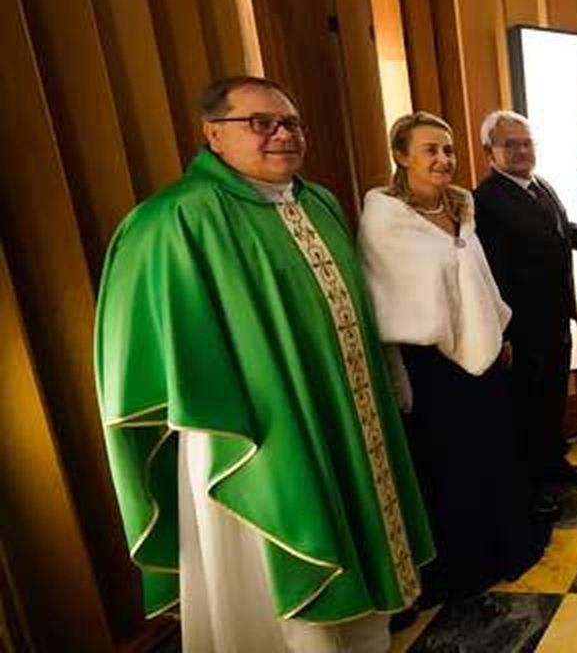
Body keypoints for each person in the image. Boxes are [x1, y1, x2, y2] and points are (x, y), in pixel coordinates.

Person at [97, 76, 431, 652]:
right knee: (274, 590)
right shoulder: (174, 220)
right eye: (261, 123)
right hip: (251, 442)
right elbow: (140, 353)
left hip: (344, 417)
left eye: (293, 123)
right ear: (213, 135)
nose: (283, 135)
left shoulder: (318, 201)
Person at [360, 112, 537, 605]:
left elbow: (478, 279)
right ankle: (465, 565)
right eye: (430, 150)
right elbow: (397, 295)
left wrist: (495, 331)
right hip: (431, 362)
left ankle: (507, 547)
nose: (443, 160)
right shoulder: (385, 219)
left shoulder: (461, 207)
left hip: (481, 358)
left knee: (496, 451)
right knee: (449, 465)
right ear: (401, 156)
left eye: (448, 150)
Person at [474, 110, 577, 496]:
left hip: (557, 317)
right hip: (522, 327)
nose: (522, 151)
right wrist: (504, 334)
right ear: (489, 152)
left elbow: (562, 233)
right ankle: (532, 487)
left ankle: (552, 464)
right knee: (525, 406)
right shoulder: (486, 201)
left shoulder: (540, 185)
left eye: (527, 143)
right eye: (510, 144)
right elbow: (492, 274)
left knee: (551, 399)